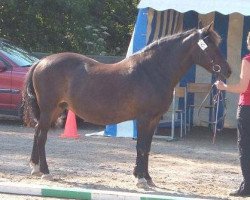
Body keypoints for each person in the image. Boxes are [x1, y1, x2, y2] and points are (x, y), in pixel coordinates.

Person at [215, 32, 250, 197]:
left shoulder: (248, 59)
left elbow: (243, 88)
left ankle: (247, 187)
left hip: (247, 108)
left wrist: (224, 87)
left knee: (245, 147)